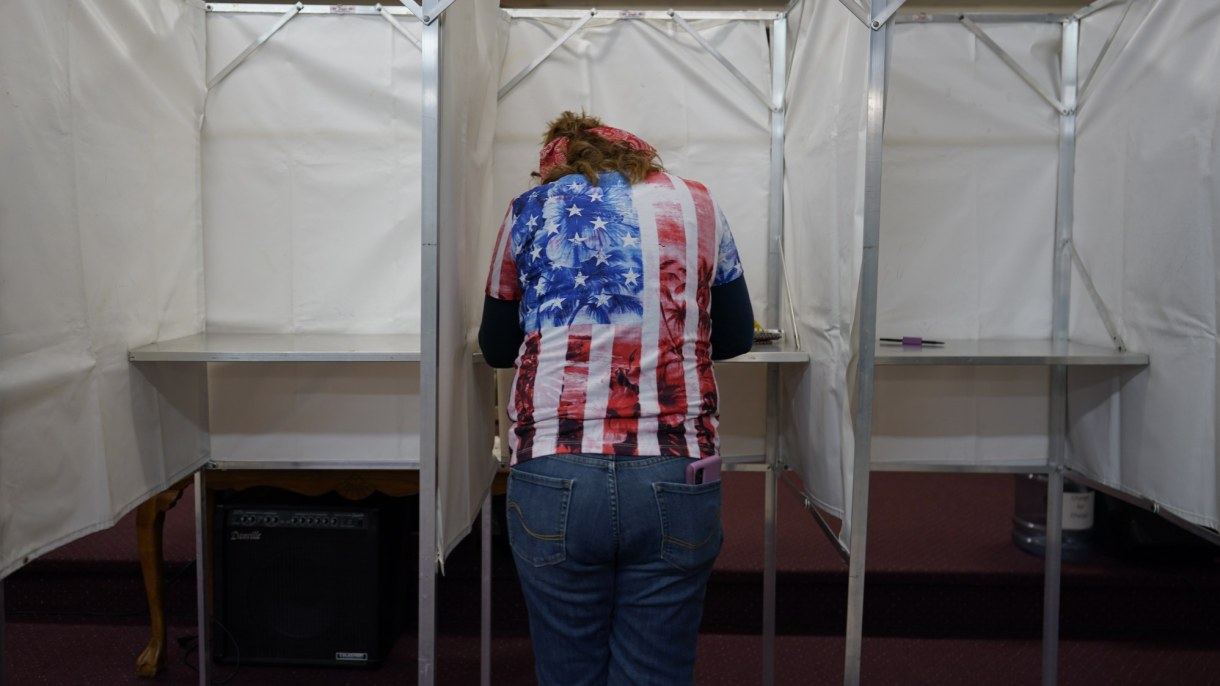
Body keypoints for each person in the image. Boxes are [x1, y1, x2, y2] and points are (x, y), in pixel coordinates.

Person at [479, 111, 754, 686]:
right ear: (641, 158)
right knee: (657, 669)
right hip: (676, 468)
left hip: (552, 469)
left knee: (566, 670)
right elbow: (737, 336)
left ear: (558, 163)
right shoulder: (698, 203)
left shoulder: (530, 209)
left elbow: (496, 346)